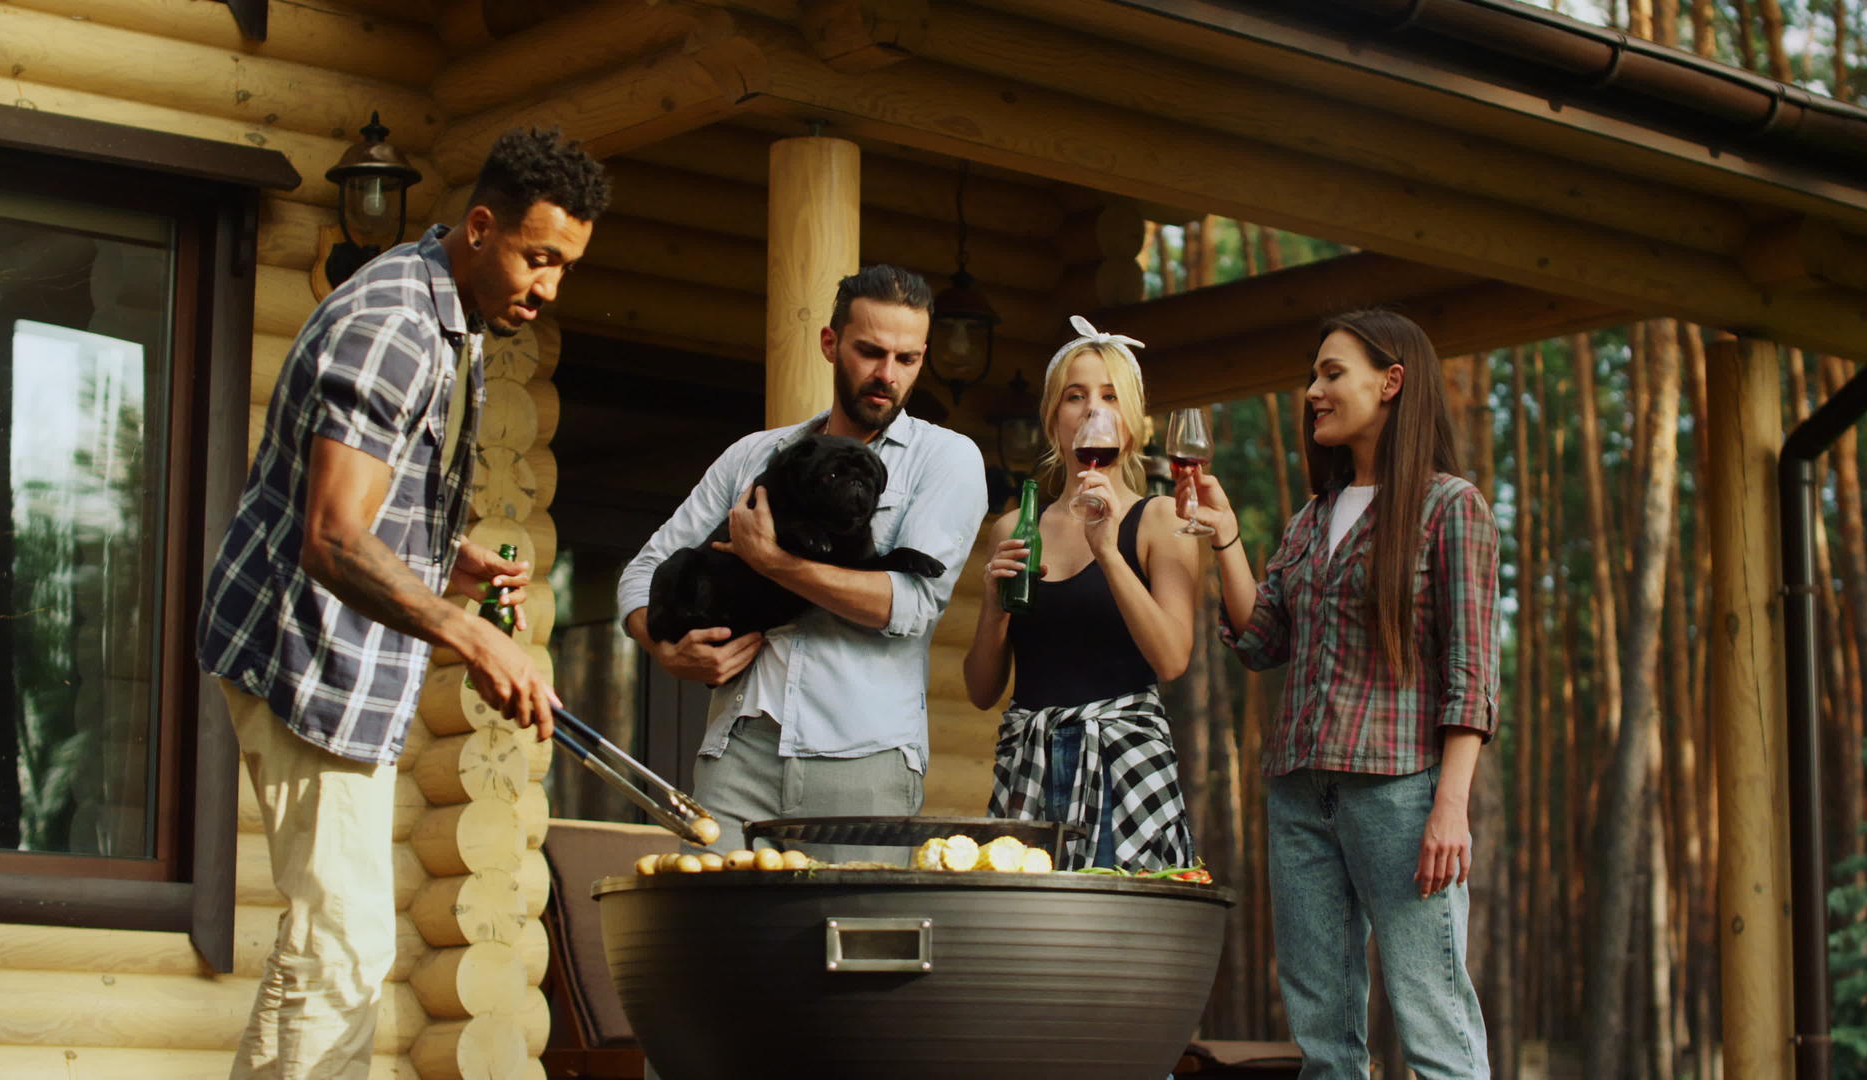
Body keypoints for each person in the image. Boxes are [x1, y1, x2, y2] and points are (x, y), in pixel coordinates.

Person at [196, 128, 609, 1079]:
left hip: (335, 661)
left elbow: (362, 497)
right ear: (478, 227)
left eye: (565, 266)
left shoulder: (438, 304)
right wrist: (471, 633)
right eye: (537, 257)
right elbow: (333, 536)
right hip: (304, 660)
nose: (548, 287)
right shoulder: (396, 327)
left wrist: (439, 553)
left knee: (331, 949)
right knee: (338, 957)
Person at [1180, 309, 1498, 1078]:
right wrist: (1225, 539)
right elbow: (1261, 641)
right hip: (1298, 795)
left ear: (1391, 382)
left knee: (1433, 1020)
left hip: (1401, 795)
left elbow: (1472, 670)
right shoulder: (1309, 519)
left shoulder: (1450, 507)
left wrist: (1449, 807)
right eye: (1312, 375)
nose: (1312, 391)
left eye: (1331, 373)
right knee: (1321, 1034)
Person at [617, 264, 988, 859]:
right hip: (735, 756)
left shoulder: (946, 458)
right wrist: (664, 648)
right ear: (830, 343)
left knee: (853, 951)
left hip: (863, 766)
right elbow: (643, 570)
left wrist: (774, 563)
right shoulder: (753, 456)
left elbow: (910, 605)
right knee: (720, 947)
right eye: (870, 352)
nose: (886, 376)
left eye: (908, 359)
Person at [962, 316, 1198, 871]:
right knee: (1029, 945)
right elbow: (979, 690)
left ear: (1132, 424)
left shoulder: (1160, 520)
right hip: (1030, 763)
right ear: (1053, 421)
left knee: (1117, 941)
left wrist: (1108, 550)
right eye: (1075, 396)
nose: (1093, 409)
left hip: (1125, 768)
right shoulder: (1014, 528)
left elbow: (1172, 658)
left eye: (1110, 396)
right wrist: (996, 604)